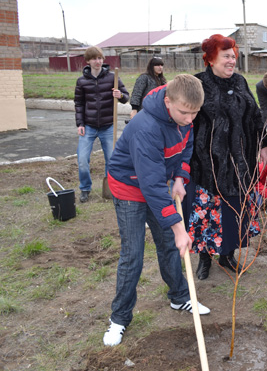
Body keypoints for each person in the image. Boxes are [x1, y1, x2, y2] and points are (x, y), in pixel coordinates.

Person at [103, 74, 210, 347]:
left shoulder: (184, 116)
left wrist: (178, 178)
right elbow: (149, 184)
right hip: (130, 187)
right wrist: (178, 228)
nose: (190, 119)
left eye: (195, 113)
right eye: (185, 113)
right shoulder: (146, 126)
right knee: (133, 254)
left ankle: (180, 297)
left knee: (169, 246)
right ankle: (119, 318)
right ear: (167, 101)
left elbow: (184, 149)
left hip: (157, 182)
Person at [185, 34, 267, 281]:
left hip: (239, 163)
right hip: (206, 164)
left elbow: (255, 115)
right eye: (226, 56)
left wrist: (263, 143)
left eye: (234, 56)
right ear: (211, 59)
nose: (232, 61)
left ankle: (227, 255)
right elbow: (183, 119)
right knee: (206, 210)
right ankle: (204, 258)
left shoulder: (241, 82)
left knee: (234, 211)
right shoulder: (197, 84)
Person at [74, 46, 129, 203]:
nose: (98, 61)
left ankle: (111, 187)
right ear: (88, 61)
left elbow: (126, 97)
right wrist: (80, 124)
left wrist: (120, 95)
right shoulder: (82, 81)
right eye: (94, 59)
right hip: (89, 126)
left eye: (100, 58)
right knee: (83, 160)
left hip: (108, 126)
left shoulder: (112, 77)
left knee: (111, 159)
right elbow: (78, 103)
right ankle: (85, 188)